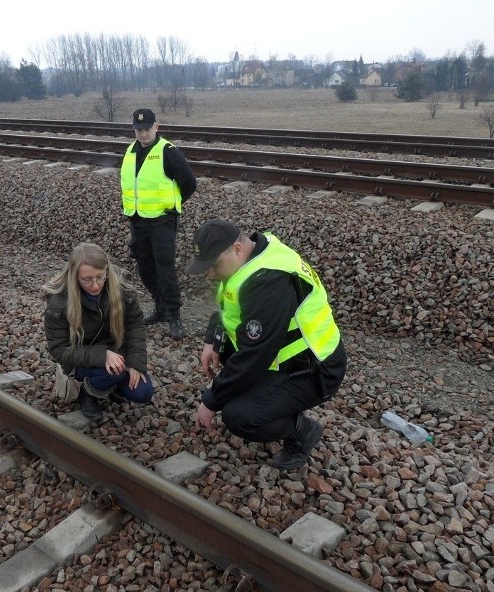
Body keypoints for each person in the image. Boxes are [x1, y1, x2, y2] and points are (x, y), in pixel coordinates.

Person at [186, 219, 347, 470]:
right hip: (286, 356)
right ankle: (264, 396)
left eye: (214, 266)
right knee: (233, 372)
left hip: (315, 368)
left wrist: (211, 401)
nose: (210, 274)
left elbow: (254, 355)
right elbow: (228, 305)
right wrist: (213, 340)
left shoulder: (268, 282)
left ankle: (303, 432)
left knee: (240, 416)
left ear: (237, 249)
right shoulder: (253, 257)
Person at [43, 242, 154, 421]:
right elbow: (59, 350)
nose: (95, 285)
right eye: (87, 279)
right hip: (80, 361)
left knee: (143, 392)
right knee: (115, 372)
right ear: (74, 277)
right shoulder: (59, 303)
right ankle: (88, 393)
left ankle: (107, 384)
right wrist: (103, 356)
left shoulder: (122, 291)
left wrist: (135, 363)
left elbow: (135, 326)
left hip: (117, 354)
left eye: (100, 277)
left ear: (107, 272)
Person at [121, 107, 197, 340]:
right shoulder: (131, 151)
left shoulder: (168, 152)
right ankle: (160, 307)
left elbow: (189, 183)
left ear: (156, 127)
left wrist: (172, 204)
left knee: (165, 268)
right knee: (145, 267)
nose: (142, 134)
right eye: (138, 130)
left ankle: (174, 314)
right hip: (138, 219)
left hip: (162, 220)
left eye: (146, 129)